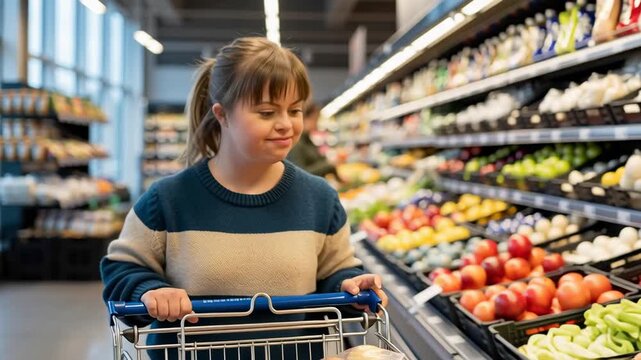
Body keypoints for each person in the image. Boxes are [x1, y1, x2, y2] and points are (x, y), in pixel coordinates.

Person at [100, 37, 387, 360]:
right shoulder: (167, 200)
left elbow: (336, 274)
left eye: (295, 110)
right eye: (266, 112)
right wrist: (150, 292)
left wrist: (352, 287)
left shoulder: (320, 199)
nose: (285, 125)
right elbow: (121, 272)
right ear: (222, 115)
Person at [287, 102, 341, 180]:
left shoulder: (307, 139)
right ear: (305, 119)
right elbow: (301, 174)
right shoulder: (297, 143)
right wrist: (328, 164)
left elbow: (318, 160)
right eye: (315, 119)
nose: (317, 124)